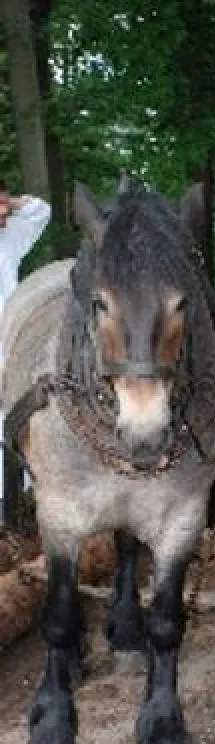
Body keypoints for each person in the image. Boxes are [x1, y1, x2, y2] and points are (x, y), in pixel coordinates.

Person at [0, 181, 52, 525]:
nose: (4, 214)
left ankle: (13, 511)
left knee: (14, 420)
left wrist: (9, 200)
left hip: (7, 343)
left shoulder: (9, 241)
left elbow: (39, 209)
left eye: (3, 206)